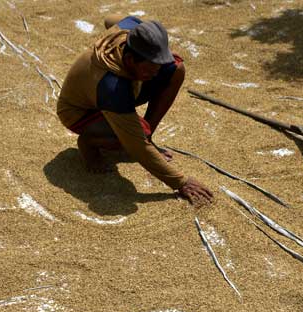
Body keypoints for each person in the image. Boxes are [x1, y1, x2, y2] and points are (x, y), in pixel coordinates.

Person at [56, 15, 213, 206]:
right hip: (81, 112)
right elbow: (136, 144)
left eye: (157, 68)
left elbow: (110, 20)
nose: (155, 74)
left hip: (121, 86)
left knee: (175, 69)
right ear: (130, 60)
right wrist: (180, 181)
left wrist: (155, 65)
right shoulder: (112, 87)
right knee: (134, 137)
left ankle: (147, 136)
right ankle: (89, 143)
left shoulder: (133, 29)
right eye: (150, 70)